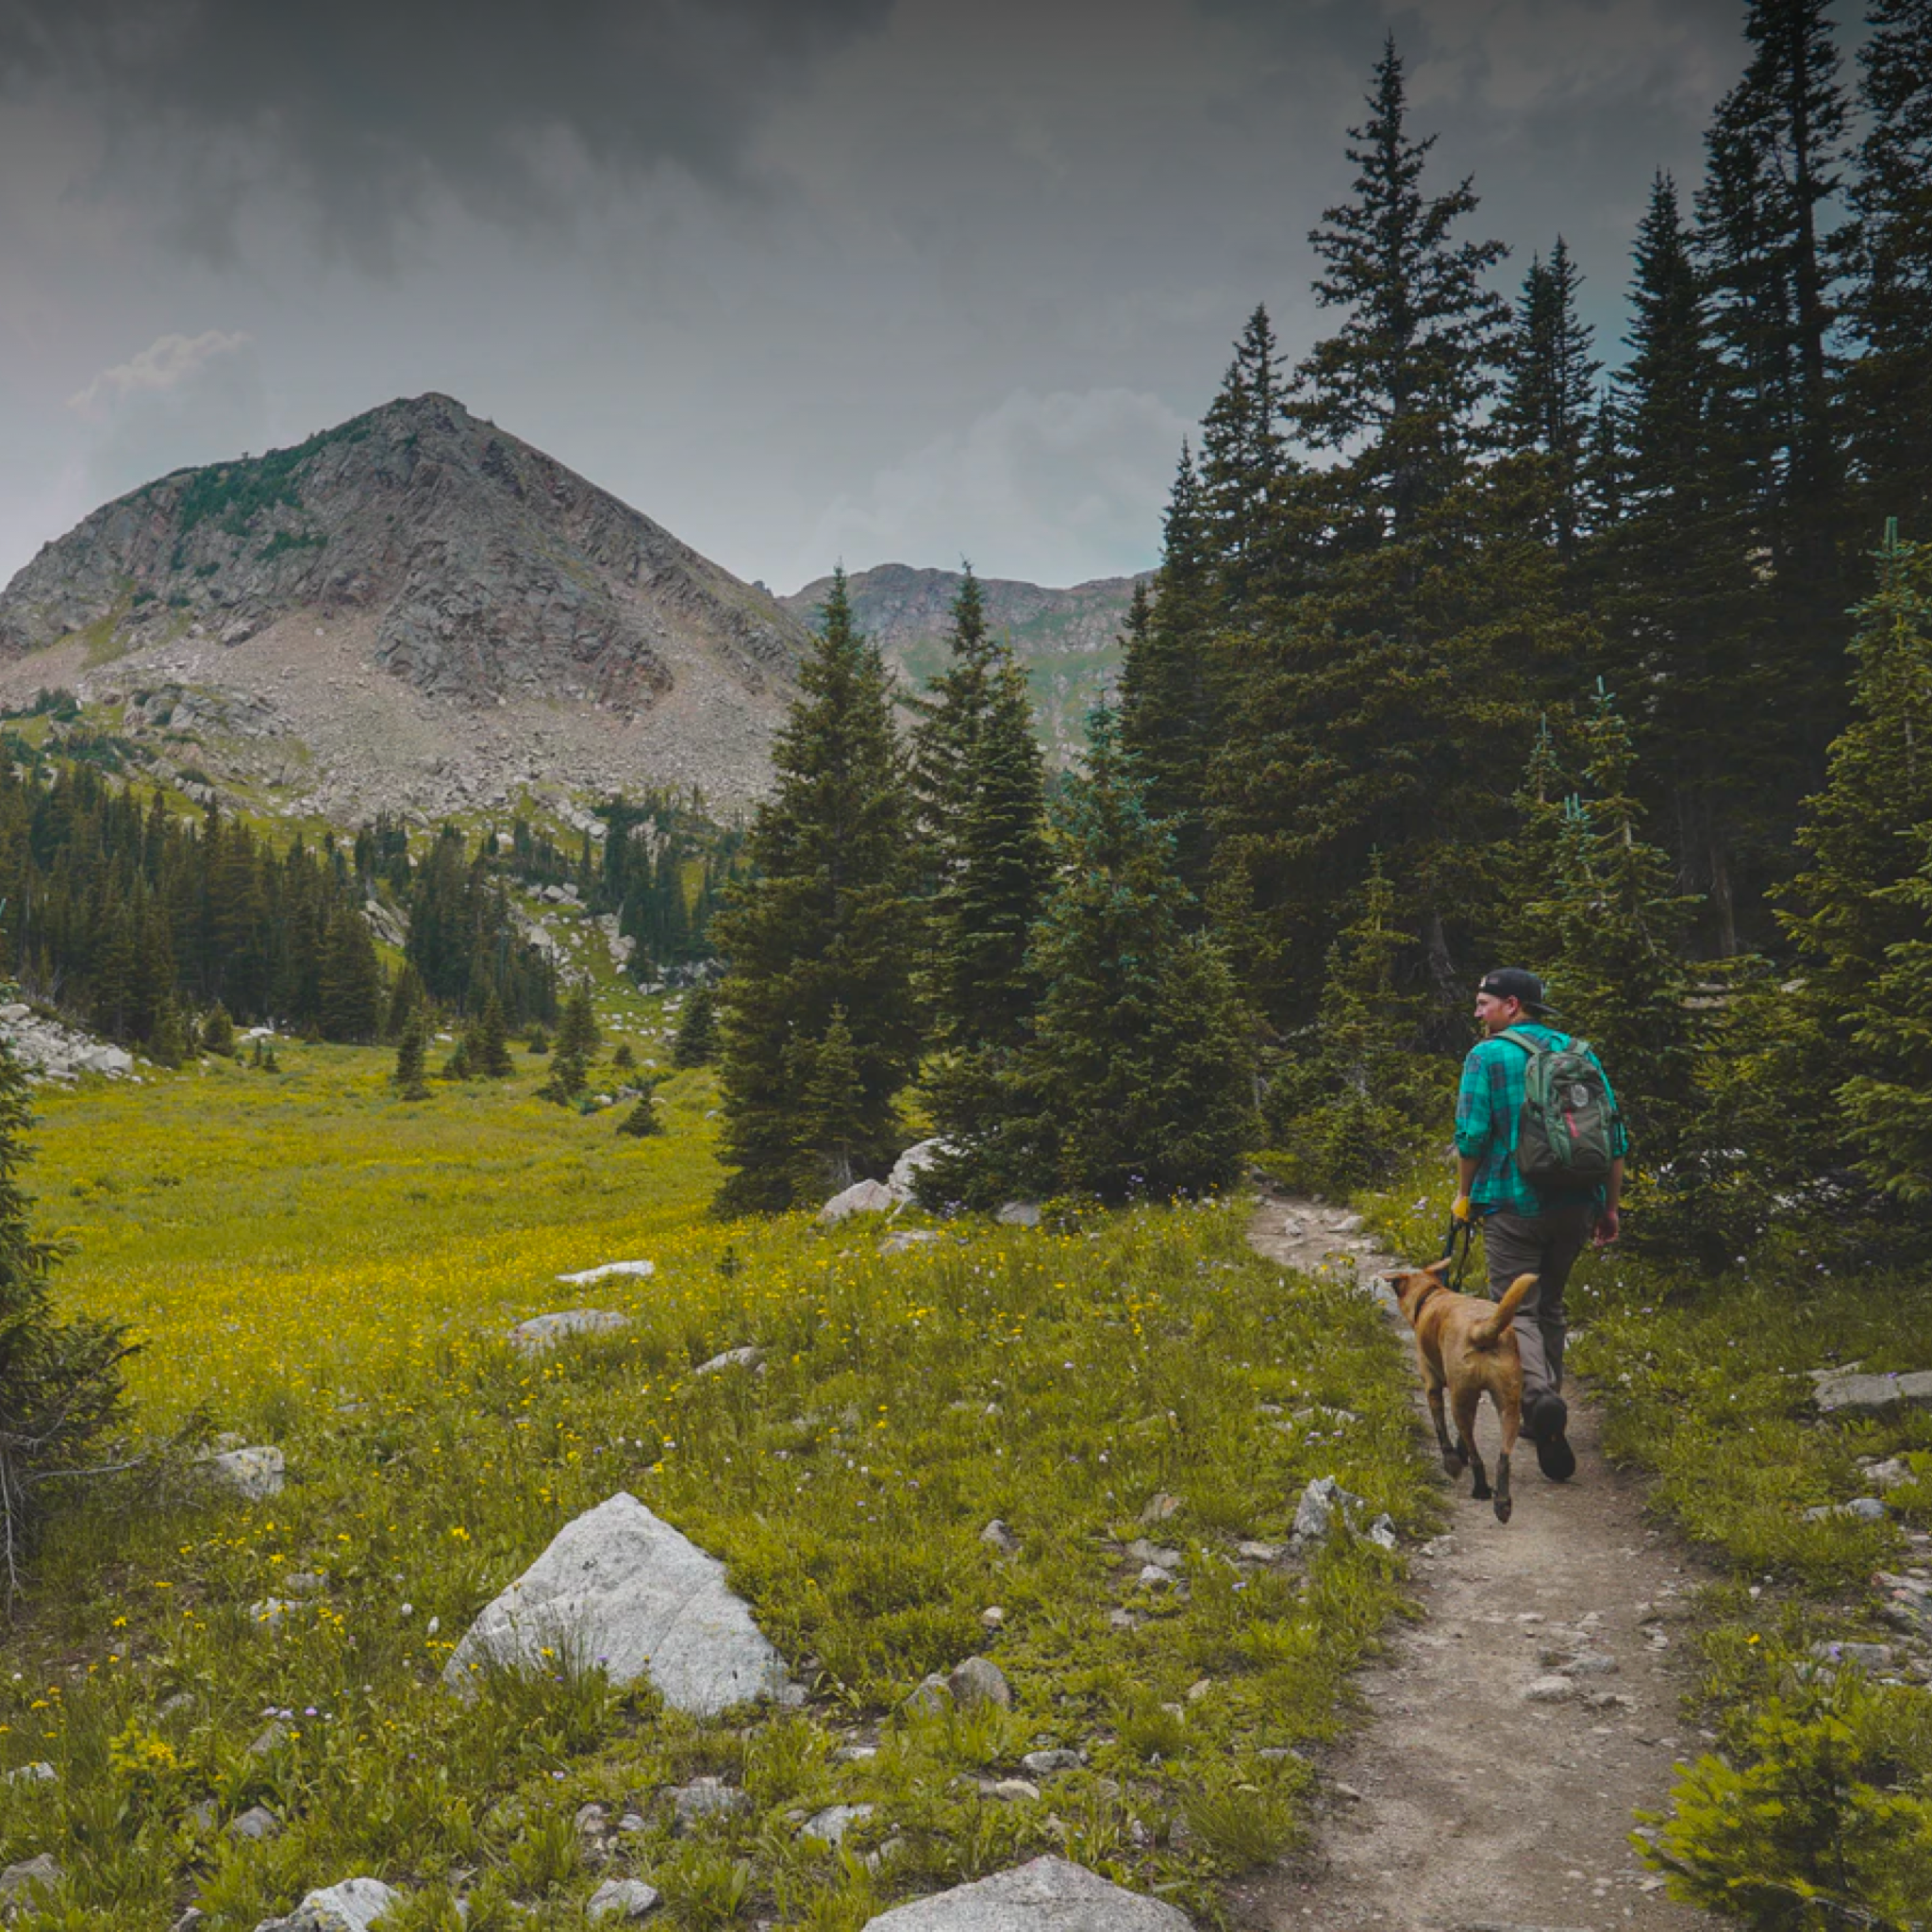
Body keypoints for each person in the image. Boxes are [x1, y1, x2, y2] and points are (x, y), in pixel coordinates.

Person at [1451, 967, 1625, 1483]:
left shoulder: (1486, 1055)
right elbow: (1615, 1137)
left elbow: (1473, 1135)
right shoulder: (1580, 1052)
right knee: (1550, 1303)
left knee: (1517, 1308)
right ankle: (1547, 1396)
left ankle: (1538, 1397)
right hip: (1576, 1202)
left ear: (1511, 1004)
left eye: (1483, 1004)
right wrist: (1609, 1207)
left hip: (1511, 1203)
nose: (1478, 1014)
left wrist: (1464, 1195)